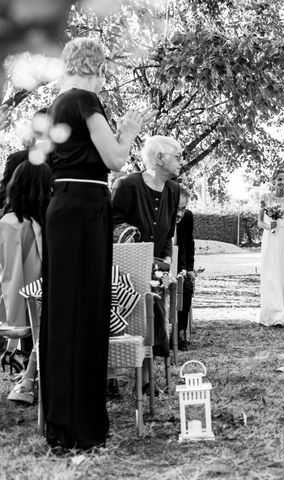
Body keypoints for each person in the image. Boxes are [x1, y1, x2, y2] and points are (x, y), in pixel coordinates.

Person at [41, 37, 154, 450]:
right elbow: (115, 160)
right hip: (85, 209)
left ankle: (61, 422)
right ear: (98, 67)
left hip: (63, 207)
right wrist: (129, 131)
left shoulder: (58, 103)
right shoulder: (86, 101)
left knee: (62, 311)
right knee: (86, 311)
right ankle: (81, 427)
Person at [112, 135, 181, 386]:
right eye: (177, 156)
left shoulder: (174, 190)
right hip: (124, 269)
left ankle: (145, 381)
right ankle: (110, 379)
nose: (181, 161)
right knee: (125, 320)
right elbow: (113, 225)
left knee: (152, 317)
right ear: (160, 158)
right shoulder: (127, 185)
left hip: (156, 268)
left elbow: (168, 233)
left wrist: (165, 264)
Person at [0, 162, 52, 404]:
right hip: (27, 304)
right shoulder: (12, 224)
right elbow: (10, 275)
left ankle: (29, 380)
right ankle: (29, 379)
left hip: (37, 302)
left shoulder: (38, 222)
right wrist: (16, 322)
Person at [256, 167, 284, 327]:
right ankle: (273, 313)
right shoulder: (265, 197)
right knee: (271, 273)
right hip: (271, 238)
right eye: (279, 179)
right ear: (273, 181)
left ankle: (283, 311)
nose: (282, 182)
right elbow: (259, 222)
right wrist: (267, 225)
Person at [175, 185, 195, 348]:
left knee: (187, 287)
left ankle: (180, 332)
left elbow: (189, 243)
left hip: (180, 266)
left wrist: (190, 269)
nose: (180, 213)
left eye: (183, 208)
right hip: (160, 264)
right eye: (177, 208)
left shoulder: (187, 217)